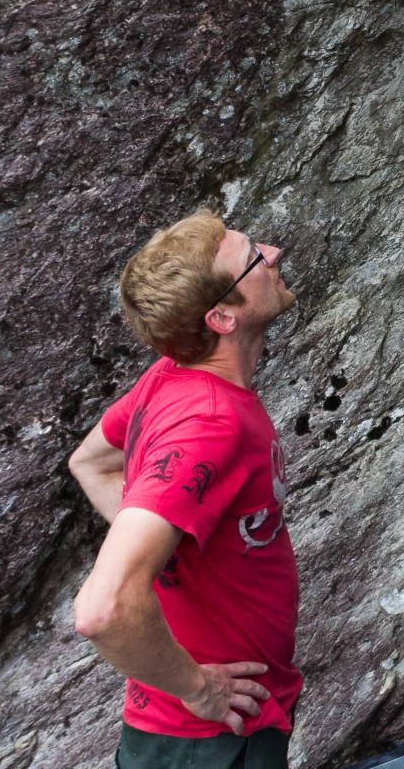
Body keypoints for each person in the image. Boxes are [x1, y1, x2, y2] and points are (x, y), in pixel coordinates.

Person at [67, 212, 301, 769]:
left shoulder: (173, 374)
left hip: (201, 733)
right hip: (206, 740)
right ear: (221, 316)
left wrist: (167, 552)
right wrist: (199, 688)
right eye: (252, 259)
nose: (272, 253)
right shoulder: (211, 425)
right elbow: (103, 610)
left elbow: (94, 462)